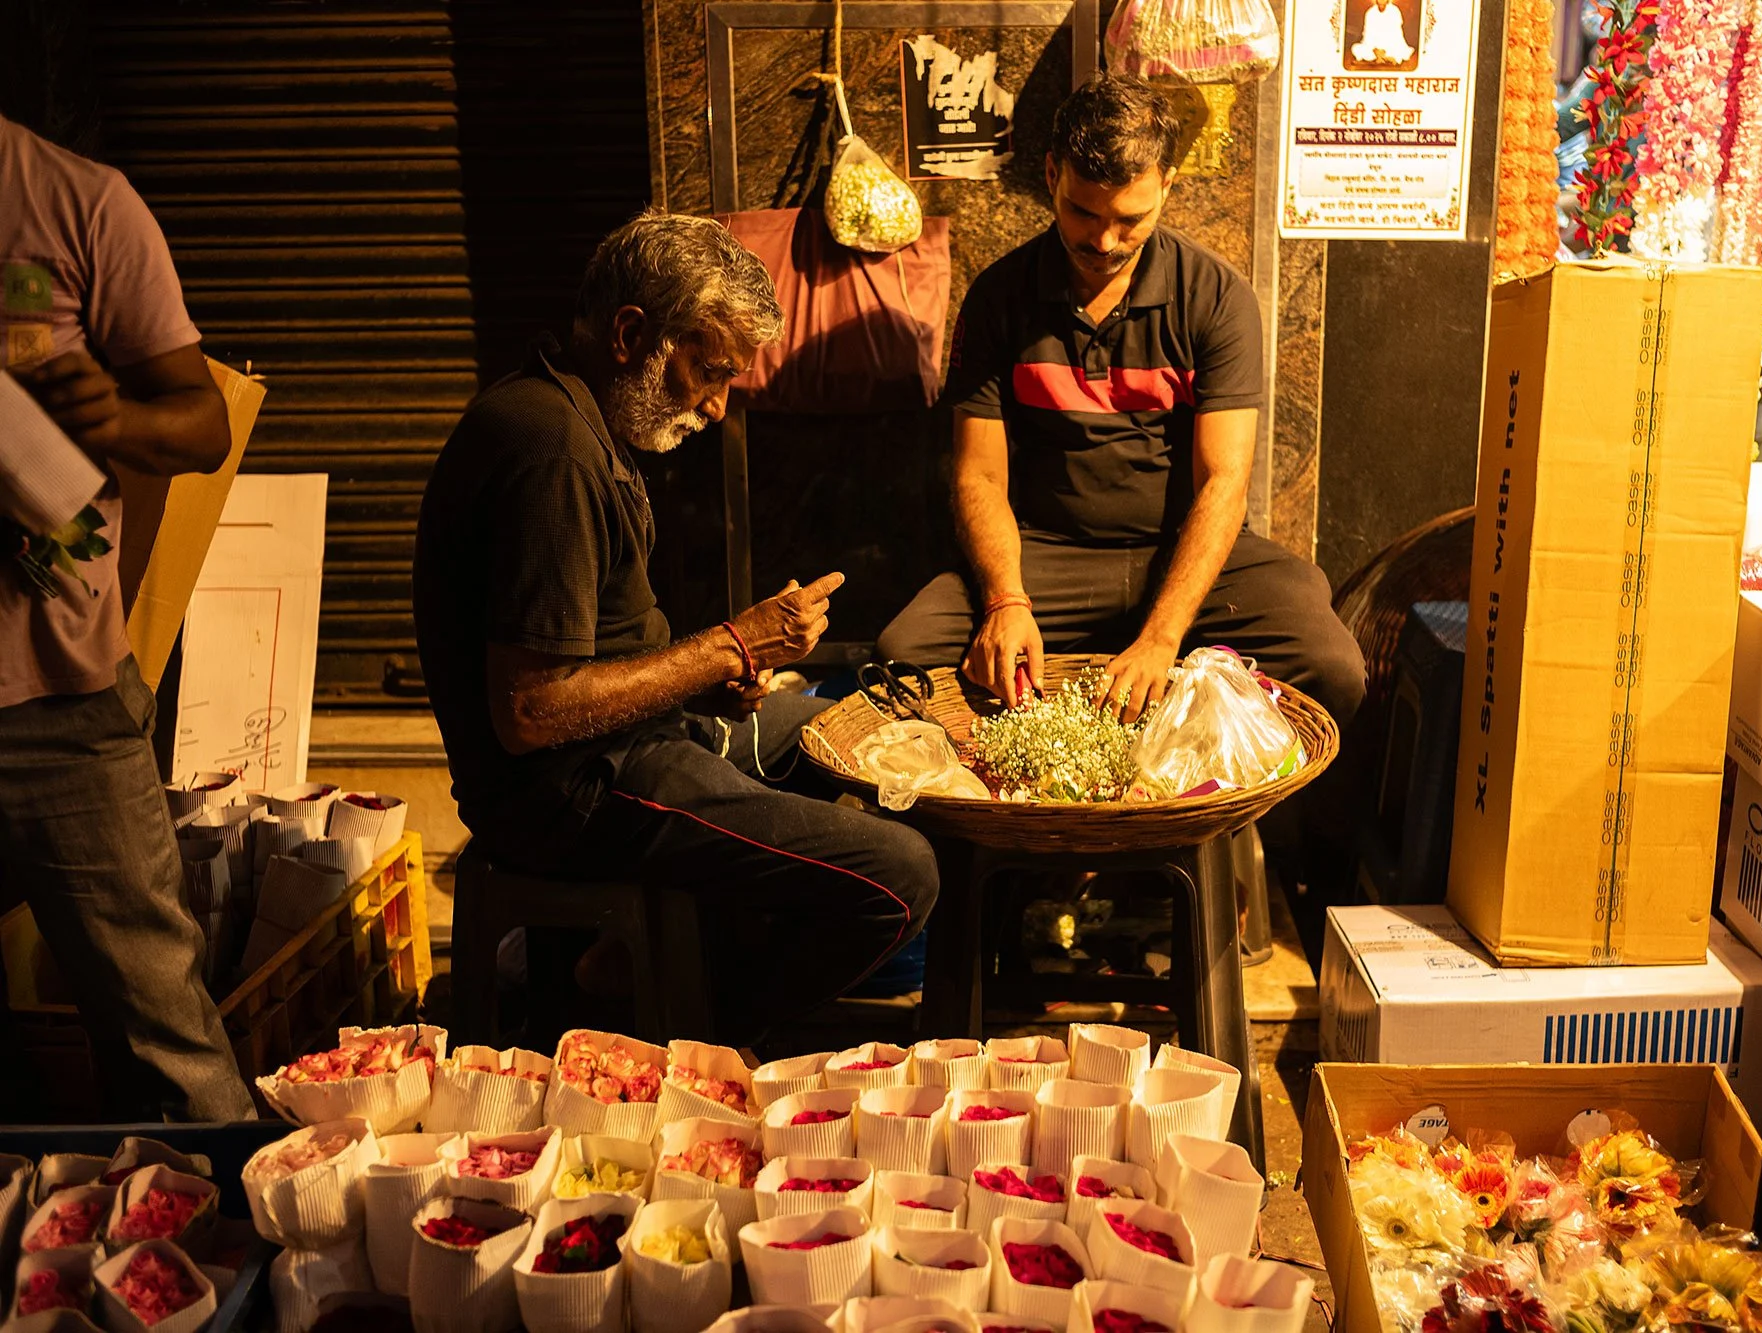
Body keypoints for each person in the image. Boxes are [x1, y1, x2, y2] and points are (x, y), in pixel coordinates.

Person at [415, 210, 939, 1042]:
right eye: (710, 370)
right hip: (573, 791)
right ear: (632, 333)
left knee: (870, 734)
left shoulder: (582, 420)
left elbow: (607, 646)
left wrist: (715, 673)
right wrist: (732, 645)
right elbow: (532, 713)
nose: (718, 404)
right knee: (899, 873)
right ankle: (678, 1032)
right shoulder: (549, 451)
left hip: (640, 736)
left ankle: (659, 964)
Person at [878, 76, 1366, 736]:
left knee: (1330, 663)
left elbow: (1225, 481)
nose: (1104, 241)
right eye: (1084, 212)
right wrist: (1005, 599)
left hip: (1179, 548)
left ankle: (1245, 827)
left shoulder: (1216, 297)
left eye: (1130, 219)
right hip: (1046, 555)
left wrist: (1163, 637)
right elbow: (979, 475)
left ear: (1168, 184)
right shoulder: (999, 298)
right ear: (1052, 175)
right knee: (903, 659)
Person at [0, 111, 257, 1121]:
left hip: (60, 702)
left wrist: (115, 418)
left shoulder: (74, 202)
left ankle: (232, 1247)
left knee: (165, 1034)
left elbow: (198, 419)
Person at [1352, 0, 1415, 65]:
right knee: (1355, 48)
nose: (1381, 1)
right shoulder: (1370, 13)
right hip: (1374, 46)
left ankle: (1377, 59)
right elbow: (1368, 35)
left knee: (1400, 51)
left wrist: (1384, 50)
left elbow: (1396, 35)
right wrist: (1375, 50)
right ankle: (1384, 59)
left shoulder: (1394, 11)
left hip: (1391, 45)